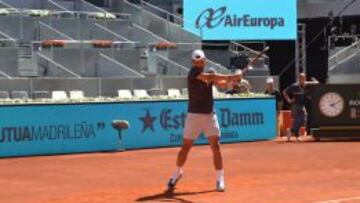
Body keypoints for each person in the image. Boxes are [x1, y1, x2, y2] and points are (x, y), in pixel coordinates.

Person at [166, 50, 241, 192]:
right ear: (193, 62)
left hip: (209, 115)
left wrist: (234, 80)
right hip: (194, 115)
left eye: (201, 60)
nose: (199, 62)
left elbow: (222, 84)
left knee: (216, 146)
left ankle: (220, 179)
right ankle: (178, 172)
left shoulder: (210, 73)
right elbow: (211, 77)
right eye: (197, 60)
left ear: (204, 60)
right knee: (185, 148)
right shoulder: (193, 73)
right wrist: (231, 76)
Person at [283, 73, 318, 141]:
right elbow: (284, 92)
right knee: (297, 119)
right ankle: (297, 135)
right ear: (299, 79)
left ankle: (291, 130)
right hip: (295, 105)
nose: (303, 80)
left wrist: (313, 80)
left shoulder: (306, 84)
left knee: (304, 119)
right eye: (301, 78)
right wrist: (289, 100)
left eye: (304, 78)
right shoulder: (294, 86)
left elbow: (317, 83)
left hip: (302, 105)